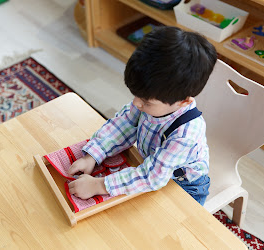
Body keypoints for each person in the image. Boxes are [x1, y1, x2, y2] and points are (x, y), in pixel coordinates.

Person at [68, 26, 217, 206]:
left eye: (146, 102)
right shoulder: (152, 101)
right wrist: (92, 155)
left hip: (185, 186)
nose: (137, 103)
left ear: (183, 102)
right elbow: (123, 125)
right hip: (152, 166)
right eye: (136, 95)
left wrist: (99, 185)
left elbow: (151, 177)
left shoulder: (186, 135)